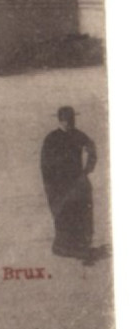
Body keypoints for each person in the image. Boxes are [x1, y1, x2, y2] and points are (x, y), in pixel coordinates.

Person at [41, 106, 98, 262]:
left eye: (72, 120)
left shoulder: (78, 135)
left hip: (76, 181)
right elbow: (45, 164)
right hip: (58, 184)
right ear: (61, 120)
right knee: (63, 214)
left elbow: (92, 148)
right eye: (67, 121)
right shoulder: (51, 139)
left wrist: (87, 169)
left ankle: (79, 246)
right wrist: (51, 185)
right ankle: (62, 247)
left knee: (81, 212)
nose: (70, 123)